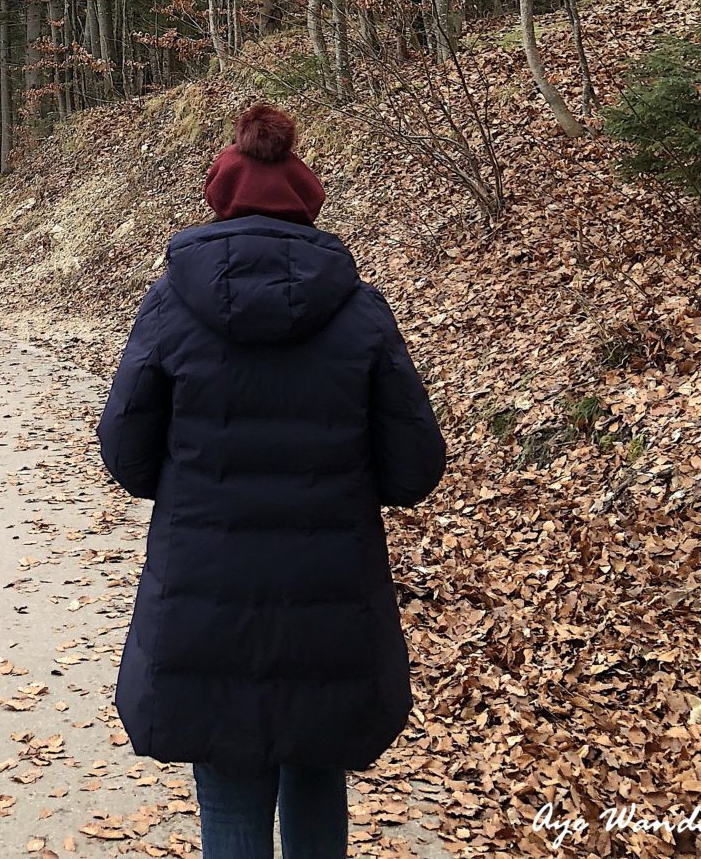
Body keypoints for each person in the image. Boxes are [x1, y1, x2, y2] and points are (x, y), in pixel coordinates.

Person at [97, 102, 446, 859]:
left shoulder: (169, 306)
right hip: (328, 600)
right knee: (316, 773)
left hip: (204, 596)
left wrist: (196, 481)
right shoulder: (358, 311)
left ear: (217, 197)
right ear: (308, 199)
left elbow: (124, 453)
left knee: (229, 796)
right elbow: (416, 466)